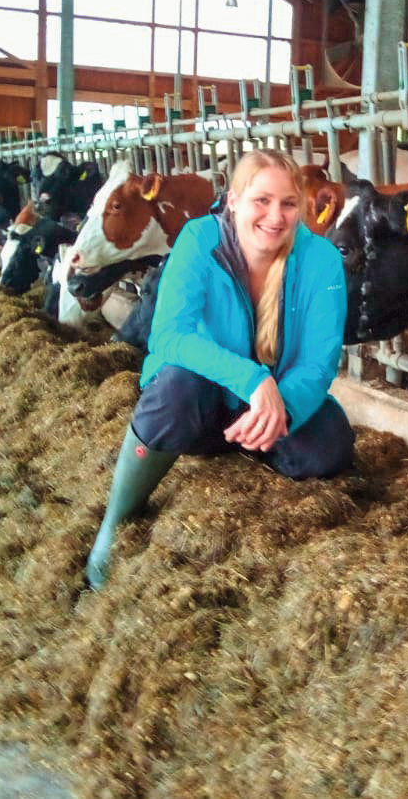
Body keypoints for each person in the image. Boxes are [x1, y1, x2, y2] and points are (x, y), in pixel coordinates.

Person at [85, 149, 354, 589]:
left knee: (331, 446)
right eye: (261, 201)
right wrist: (253, 379)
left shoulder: (321, 259)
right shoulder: (199, 241)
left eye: (288, 204)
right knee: (175, 389)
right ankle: (113, 526)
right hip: (204, 396)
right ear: (233, 201)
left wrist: (279, 406)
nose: (275, 216)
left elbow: (318, 362)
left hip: (273, 405)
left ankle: (252, 441)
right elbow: (169, 336)